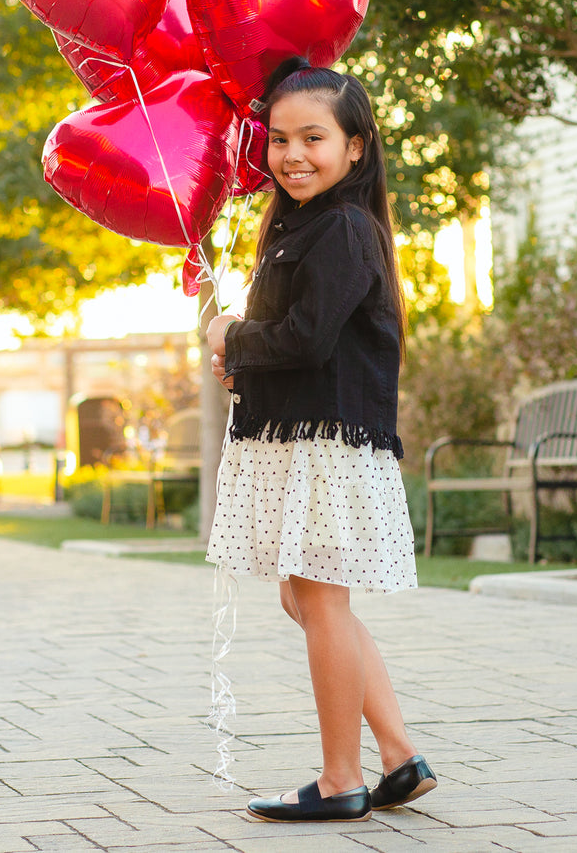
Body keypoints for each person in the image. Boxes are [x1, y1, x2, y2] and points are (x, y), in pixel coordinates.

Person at [205, 60, 437, 823]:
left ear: (356, 147)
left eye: (313, 137)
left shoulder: (341, 226)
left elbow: (305, 341)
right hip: (307, 435)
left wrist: (233, 336)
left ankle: (342, 778)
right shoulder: (304, 223)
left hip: (326, 444)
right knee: (303, 596)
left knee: (318, 600)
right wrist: (239, 353)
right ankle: (398, 757)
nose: (293, 154)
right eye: (277, 139)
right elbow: (301, 340)